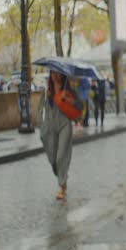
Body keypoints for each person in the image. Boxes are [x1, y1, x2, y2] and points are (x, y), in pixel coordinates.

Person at [37, 71, 83, 200]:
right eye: (53, 73)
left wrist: (69, 99)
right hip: (49, 126)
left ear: (62, 75)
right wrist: (40, 124)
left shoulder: (69, 91)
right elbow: (40, 108)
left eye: (58, 73)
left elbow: (80, 106)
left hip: (64, 125)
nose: (55, 76)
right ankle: (63, 176)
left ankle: (62, 187)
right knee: (53, 159)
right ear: (50, 75)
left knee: (61, 155)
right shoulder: (46, 91)